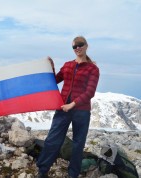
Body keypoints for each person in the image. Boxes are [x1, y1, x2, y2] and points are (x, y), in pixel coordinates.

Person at [36, 36, 100, 178]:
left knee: (78, 144)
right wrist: (50, 67)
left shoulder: (93, 69)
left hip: (81, 111)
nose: (77, 48)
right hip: (63, 108)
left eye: (80, 45)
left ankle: (73, 174)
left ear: (86, 45)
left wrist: (73, 104)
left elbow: (90, 92)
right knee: (53, 139)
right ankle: (42, 170)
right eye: (74, 46)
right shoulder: (67, 65)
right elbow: (54, 80)